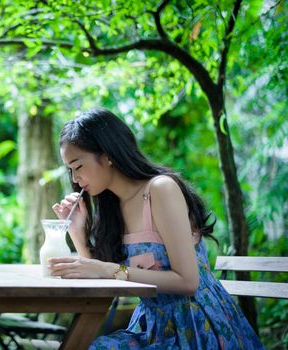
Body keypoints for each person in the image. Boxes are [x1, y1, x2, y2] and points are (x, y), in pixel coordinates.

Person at [49, 108, 264, 349]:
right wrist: (77, 233)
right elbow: (102, 274)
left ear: (107, 154)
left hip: (197, 328)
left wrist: (108, 269)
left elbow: (188, 281)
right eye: (70, 170)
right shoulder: (112, 206)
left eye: (77, 166)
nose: (75, 178)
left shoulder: (160, 190)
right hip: (152, 328)